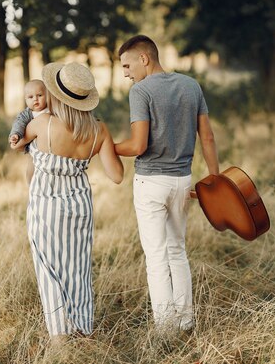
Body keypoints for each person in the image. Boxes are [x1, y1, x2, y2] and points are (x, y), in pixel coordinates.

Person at [11, 62, 123, 342]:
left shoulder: (41, 124)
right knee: (78, 268)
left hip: (45, 205)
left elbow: (17, 145)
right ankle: (82, 328)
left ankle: (60, 338)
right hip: (80, 205)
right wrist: (108, 145)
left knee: (49, 269)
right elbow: (117, 175)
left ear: (54, 95)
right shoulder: (100, 130)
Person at [115, 35, 219, 331]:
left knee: (156, 257)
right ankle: (186, 322)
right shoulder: (191, 86)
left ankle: (165, 330)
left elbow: (138, 145)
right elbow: (208, 137)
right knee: (177, 251)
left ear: (144, 59)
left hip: (151, 182)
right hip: (182, 181)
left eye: (127, 65)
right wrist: (214, 179)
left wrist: (106, 146)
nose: (125, 73)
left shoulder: (141, 91)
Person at [9, 79, 51, 184]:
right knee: (31, 171)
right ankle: (31, 186)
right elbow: (19, 124)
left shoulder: (51, 109)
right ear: (26, 100)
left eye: (40, 95)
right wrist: (16, 135)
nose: (35, 99)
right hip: (34, 150)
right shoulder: (27, 114)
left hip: (51, 147)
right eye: (31, 97)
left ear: (47, 95)